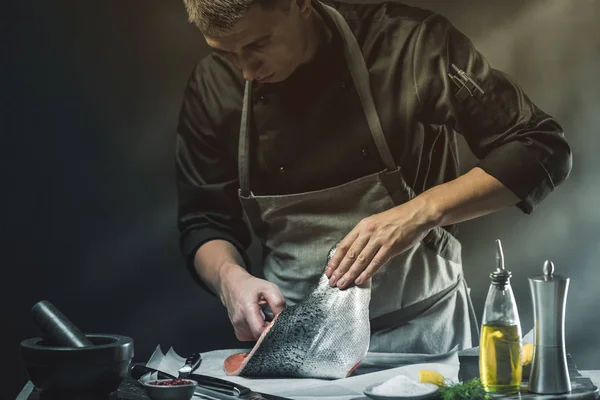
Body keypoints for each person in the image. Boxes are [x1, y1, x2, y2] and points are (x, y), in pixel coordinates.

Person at [175, 0, 572, 354]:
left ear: (301, 4)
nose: (245, 71)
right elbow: (205, 221)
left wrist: (419, 214)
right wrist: (229, 277)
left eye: (257, 45)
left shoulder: (409, 45)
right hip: (294, 345)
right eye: (225, 53)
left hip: (424, 335)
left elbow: (539, 146)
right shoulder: (212, 86)